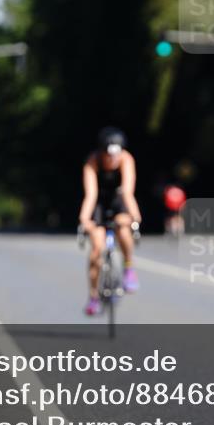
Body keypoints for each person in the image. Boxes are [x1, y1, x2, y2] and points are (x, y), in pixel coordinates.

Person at [79, 127, 143, 315]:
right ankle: (93, 297)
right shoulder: (92, 162)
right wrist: (84, 219)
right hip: (98, 202)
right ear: (101, 152)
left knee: (123, 229)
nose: (113, 159)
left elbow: (127, 191)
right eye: (109, 155)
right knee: (97, 250)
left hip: (118, 200)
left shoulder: (126, 159)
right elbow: (90, 194)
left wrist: (135, 217)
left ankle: (128, 267)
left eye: (117, 154)